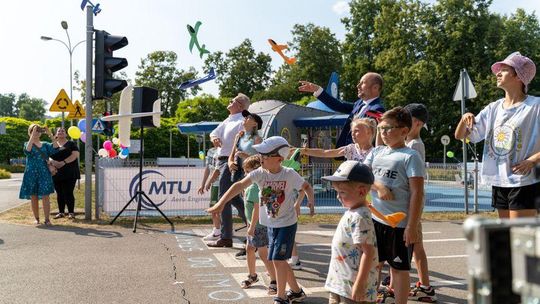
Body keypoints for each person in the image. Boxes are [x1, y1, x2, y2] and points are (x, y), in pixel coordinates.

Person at [207, 136, 315, 304]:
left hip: (287, 224)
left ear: (279, 158)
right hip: (270, 224)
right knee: (277, 260)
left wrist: (307, 202)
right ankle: (297, 291)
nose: (261, 158)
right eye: (261, 155)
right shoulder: (259, 174)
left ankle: (281, 296)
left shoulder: (289, 174)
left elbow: (306, 186)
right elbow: (238, 186)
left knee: (278, 260)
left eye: (265, 156)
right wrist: (221, 203)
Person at [455, 52, 540, 219]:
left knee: (521, 238)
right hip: (500, 181)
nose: (498, 73)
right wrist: (465, 119)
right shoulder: (493, 108)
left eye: (505, 69)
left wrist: (533, 160)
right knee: (507, 237)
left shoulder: (535, 106)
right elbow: (460, 136)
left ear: (519, 76)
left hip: (524, 181)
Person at [363, 107, 425, 304]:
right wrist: (379, 186)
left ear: (404, 131)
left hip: (399, 225)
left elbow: (417, 192)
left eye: (389, 128)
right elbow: (363, 178)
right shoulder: (377, 152)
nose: (383, 133)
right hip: (375, 220)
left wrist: (412, 226)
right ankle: (371, 298)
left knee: (399, 269)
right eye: (381, 128)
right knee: (373, 265)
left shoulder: (410, 156)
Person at [321, 161, 379, 304]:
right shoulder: (353, 211)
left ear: (361, 191)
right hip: (340, 282)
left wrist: (360, 284)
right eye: (337, 192)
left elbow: (368, 252)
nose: (337, 197)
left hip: (352, 287)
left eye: (342, 192)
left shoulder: (360, 217)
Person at [208, 93, 251, 247]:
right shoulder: (229, 119)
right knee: (232, 197)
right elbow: (214, 132)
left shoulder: (242, 121)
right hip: (223, 160)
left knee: (224, 196)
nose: (229, 101)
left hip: (230, 161)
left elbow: (243, 141)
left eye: (232, 101)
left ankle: (226, 237)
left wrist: (233, 160)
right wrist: (214, 138)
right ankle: (254, 225)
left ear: (239, 105)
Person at [298, 72, 385, 148]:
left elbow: (371, 139)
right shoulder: (358, 104)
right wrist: (318, 90)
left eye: (363, 83)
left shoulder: (377, 109)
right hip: (350, 155)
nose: (358, 86)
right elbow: (339, 105)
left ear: (375, 88)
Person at [240, 155, 278, 295]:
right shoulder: (251, 186)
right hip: (254, 224)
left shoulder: (256, 187)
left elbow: (257, 209)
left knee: (263, 254)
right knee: (250, 249)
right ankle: (252, 276)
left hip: (259, 226)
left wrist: (251, 226)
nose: (245, 174)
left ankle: (274, 281)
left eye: (247, 171)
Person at [229, 110, 263, 259]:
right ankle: (251, 239)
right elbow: (233, 152)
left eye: (249, 117)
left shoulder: (257, 139)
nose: (245, 118)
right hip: (240, 173)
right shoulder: (240, 135)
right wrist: (230, 161)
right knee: (237, 201)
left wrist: (246, 156)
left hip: (253, 175)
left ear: (255, 123)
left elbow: (260, 159)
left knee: (250, 206)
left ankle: (250, 243)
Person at [19, 124, 59, 226]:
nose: (36, 132)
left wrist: (49, 133)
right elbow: (27, 151)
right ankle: (37, 219)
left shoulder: (45, 144)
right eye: (33, 130)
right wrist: (32, 135)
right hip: (31, 173)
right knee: (34, 197)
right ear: (30, 132)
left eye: (38, 131)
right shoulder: (27, 144)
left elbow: (56, 147)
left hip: (44, 173)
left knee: (46, 196)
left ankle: (47, 219)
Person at [300, 118, 377, 162]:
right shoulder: (351, 148)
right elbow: (325, 153)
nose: (352, 134)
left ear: (369, 133)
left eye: (356, 131)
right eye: (352, 131)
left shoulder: (375, 153)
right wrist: (303, 150)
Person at [49, 127, 80, 220]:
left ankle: (71, 212)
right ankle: (61, 212)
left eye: (63, 131)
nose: (61, 132)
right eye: (59, 131)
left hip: (70, 172)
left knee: (68, 192)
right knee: (59, 193)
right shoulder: (52, 145)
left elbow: (75, 155)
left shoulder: (71, 144)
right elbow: (47, 156)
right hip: (56, 172)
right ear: (56, 134)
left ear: (66, 134)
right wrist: (53, 163)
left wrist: (63, 162)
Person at [198, 146, 222, 241]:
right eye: (214, 138)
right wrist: (203, 184)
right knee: (217, 208)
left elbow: (218, 170)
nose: (215, 140)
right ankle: (223, 230)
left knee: (215, 208)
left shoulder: (223, 150)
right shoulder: (211, 151)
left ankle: (217, 232)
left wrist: (209, 182)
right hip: (215, 184)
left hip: (220, 183)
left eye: (217, 138)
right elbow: (208, 168)